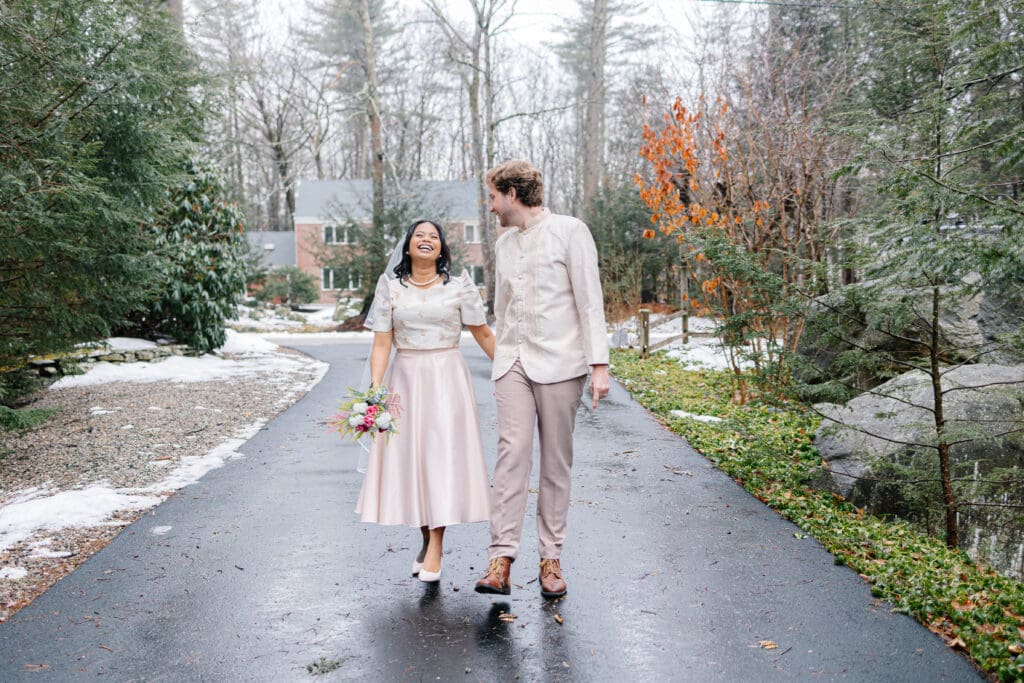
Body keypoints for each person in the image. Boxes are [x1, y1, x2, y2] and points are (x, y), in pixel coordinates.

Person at [474, 160, 610, 599]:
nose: (490, 207)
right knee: (510, 455)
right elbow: (502, 308)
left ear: (512, 193)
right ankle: (500, 560)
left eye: (493, 197)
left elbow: (589, 301)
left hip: (561, 363)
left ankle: (551, 559)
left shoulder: (571, 231)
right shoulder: (504, 244)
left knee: (555, 462)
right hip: (513, 362)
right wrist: (501, 357)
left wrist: (599, 364)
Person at [355, 219, 495, 583]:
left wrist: (511, 368)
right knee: (413, 461)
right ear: (407, 246)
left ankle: (436, 546)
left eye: (434, 236)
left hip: (447, 378)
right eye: (419, 235)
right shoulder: (390, 288)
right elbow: (382, 342)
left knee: (440, 459)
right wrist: (375, 390)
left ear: (442, 248)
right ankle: (426, 537)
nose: (427, 240)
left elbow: (482, 333)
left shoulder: (459, 287)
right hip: (404, 379)